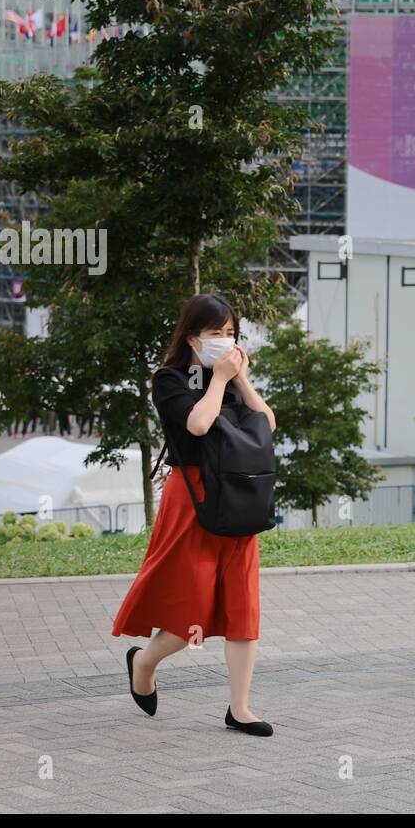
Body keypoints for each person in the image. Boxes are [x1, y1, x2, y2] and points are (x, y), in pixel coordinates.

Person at [112, 293, 277, 736]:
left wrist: (240, 379)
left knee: (243, 606)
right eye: (215, 334)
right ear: (191, 336)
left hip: (238, 497)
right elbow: (199, 425)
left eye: (231, 334)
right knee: (191, 613)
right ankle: (143, 662)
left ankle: (240, 708)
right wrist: (220, 379)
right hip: (192, 498)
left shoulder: (233, 377)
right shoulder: (168, 380)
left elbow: (267, 423)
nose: (226, 342)